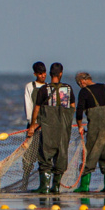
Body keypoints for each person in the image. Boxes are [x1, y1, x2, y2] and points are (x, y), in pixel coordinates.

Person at [27, 63, 73, 194]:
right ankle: (56, 186)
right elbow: (73, 106)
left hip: (47, 128)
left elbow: (36, 109)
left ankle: (44, 187)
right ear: (61, 73)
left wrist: (32, 125)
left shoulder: (43, 90)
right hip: (64, 129)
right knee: (61, 155)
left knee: (45, 156)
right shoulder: (68, 89)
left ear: (50, 74)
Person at [73, 72, 105, 193]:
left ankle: (84, 186)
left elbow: (79, 111)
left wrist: (80, 126)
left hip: (96, 127)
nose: (80, 86)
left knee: (91, 153)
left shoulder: (84, 91)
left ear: (82, 81)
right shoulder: (103, 86)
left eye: (79, 84)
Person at [21, 62, 47, 190]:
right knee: (28, 157)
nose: (43, 76)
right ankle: (25, 183)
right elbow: (29, 105)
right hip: (33, 125)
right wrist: (32, 123)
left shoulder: (49, 87)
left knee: (45, 155)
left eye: (44, 73)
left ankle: (44, 185)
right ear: (35, 74)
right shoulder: (30, 86)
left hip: (47, 125)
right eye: (40, 73)